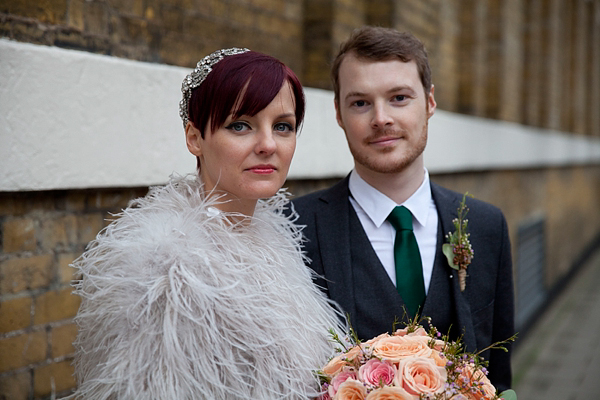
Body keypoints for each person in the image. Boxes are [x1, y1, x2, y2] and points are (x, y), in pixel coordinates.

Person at [70, 48, 345, 399]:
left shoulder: (276, 244)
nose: (267, 144)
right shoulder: (164, 269)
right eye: (240, 125)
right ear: (195, 138)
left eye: (283, 126)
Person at [292, 26, 515, 391]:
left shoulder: (487, 226)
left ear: (429, 102)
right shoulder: (294, 228)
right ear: (338, 112)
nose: (381, 118)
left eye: (398, 97)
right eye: (360, 102)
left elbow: (499, 377)